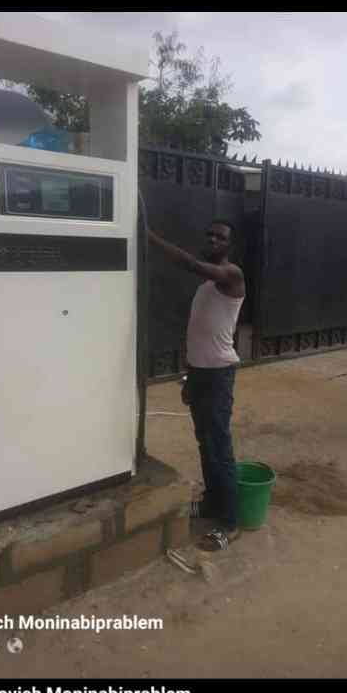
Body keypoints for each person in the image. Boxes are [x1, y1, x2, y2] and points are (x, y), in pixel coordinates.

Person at [147, 220, 245, 552]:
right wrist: (189, 376)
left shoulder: (232, 275)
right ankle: (212, 503)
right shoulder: (206, 286)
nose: (214, 239)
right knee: (205, 443)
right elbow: (198, 335)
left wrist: (149, 235)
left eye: (221, 237)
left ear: (229, 246)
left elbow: (188, 263)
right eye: (210, 234)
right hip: (202, 375)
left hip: (219, 375)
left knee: (220, 446)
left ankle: (230, 523)